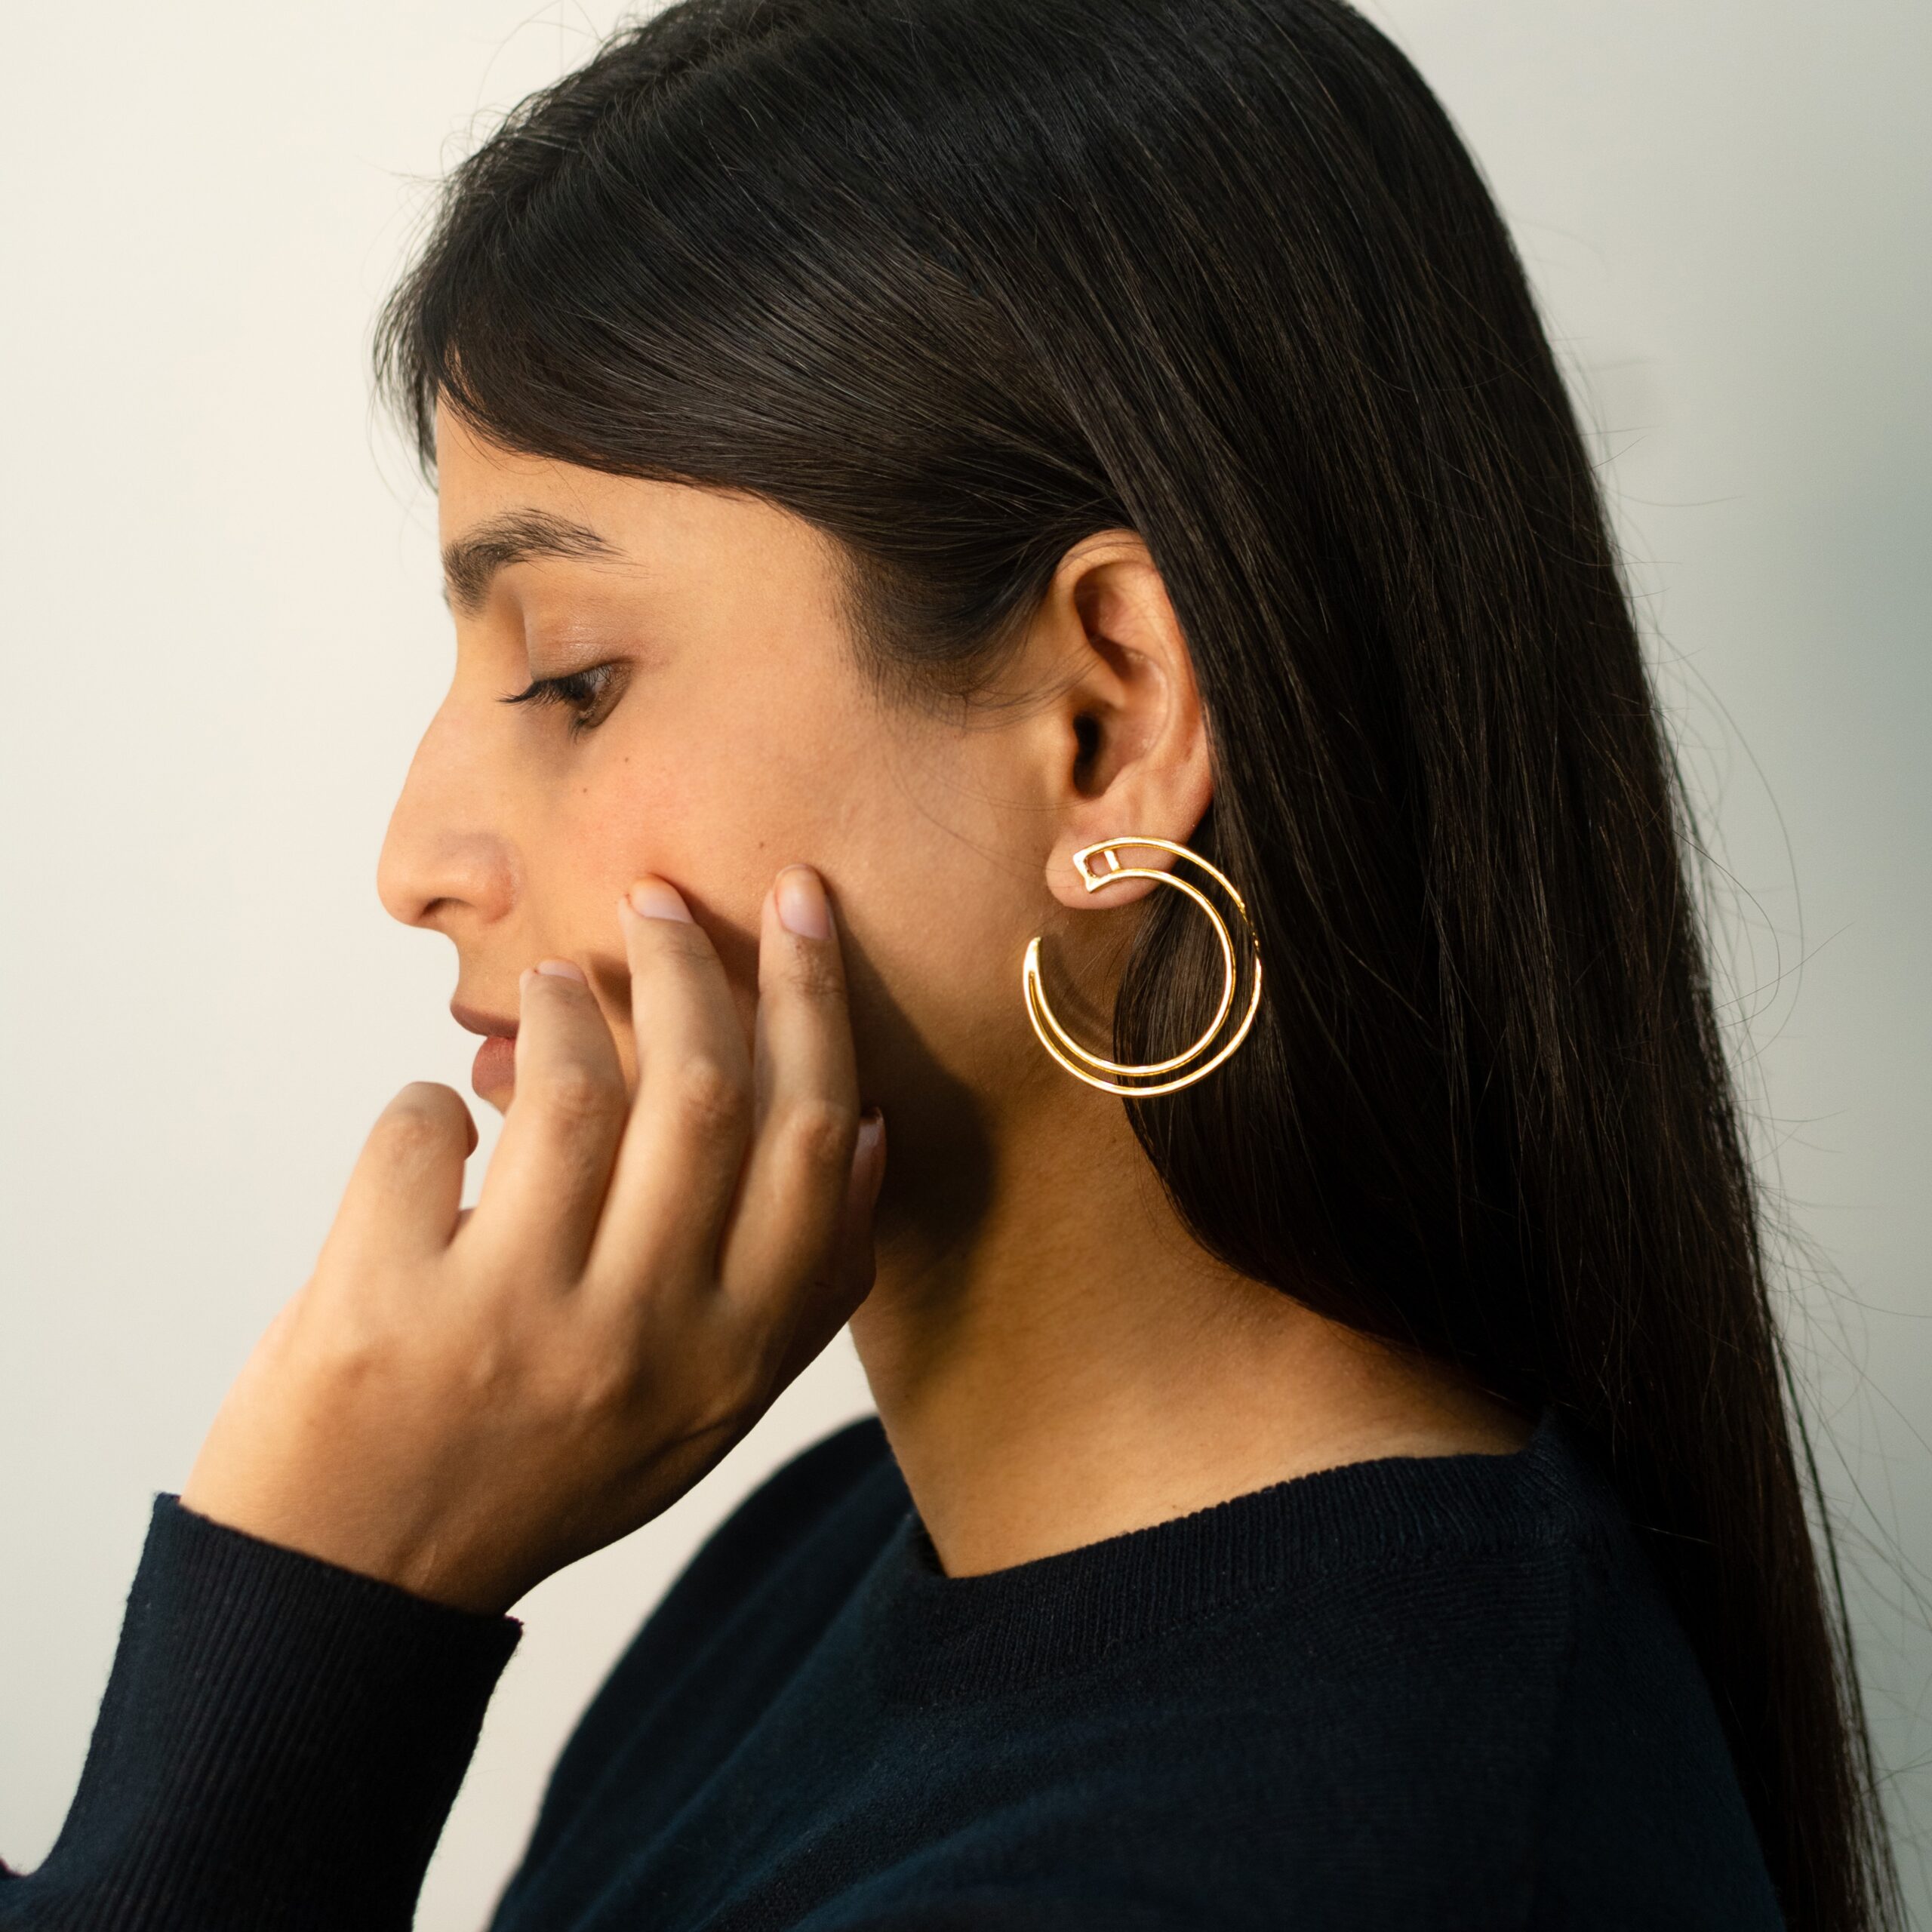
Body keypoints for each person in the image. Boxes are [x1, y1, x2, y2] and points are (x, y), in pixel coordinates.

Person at [1, 1, 1903, 1927]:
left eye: (571, 678)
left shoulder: (1298, 1855)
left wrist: (321, 1603)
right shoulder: (827, 1561)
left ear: (1107, 717)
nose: (416, 861)